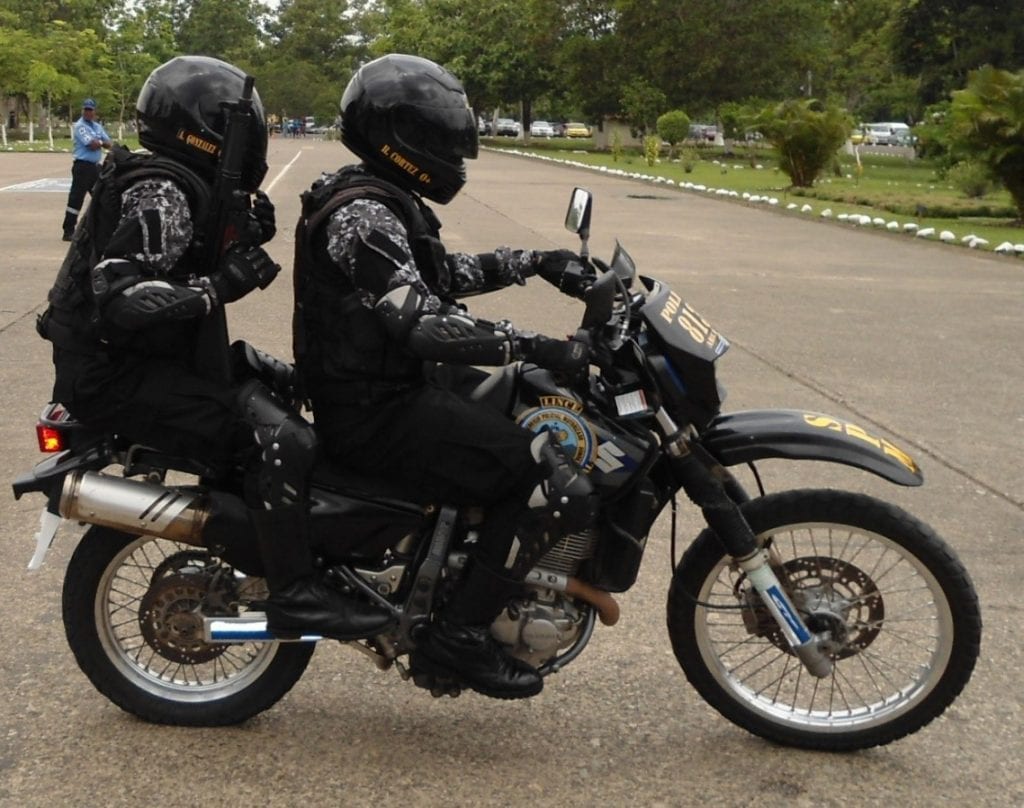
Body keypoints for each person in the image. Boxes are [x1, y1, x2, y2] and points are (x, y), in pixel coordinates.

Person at [38, 55, 393, 642]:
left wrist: (240, 236)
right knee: (281, 441)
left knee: (283, 384)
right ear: (203, 127)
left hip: (143, 363)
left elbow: (179, 263)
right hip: (116, 376)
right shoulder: (163, 190)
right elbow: (126, 300)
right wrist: (224, 284)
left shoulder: (177, 181)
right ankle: (297, 594)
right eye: (242, 127)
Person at [293, 53, 598, 699]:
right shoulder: (363, 214)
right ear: (399, 138)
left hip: (391, 388)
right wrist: (537, 342)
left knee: (520, 404)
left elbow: (439, 276)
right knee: (543, 475)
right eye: (437, 139)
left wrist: (534, 261)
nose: (452, 155)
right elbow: (425, 323)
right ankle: (455, 638)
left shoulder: (382, 199)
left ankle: (453, 572)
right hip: (375, 410)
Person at [62, 99, 112, 241]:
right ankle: (68, 230)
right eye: (86, 110)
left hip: (95, 167)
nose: (88, 112)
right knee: (76, 199)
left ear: (95, 112)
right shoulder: (80, 126)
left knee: (102, 196)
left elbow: (109, 143)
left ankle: (101, 229)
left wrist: (101, 143)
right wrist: (101, 143)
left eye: (90, 110)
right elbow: (92, 144)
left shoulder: (97, 126)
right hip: (82, 166)